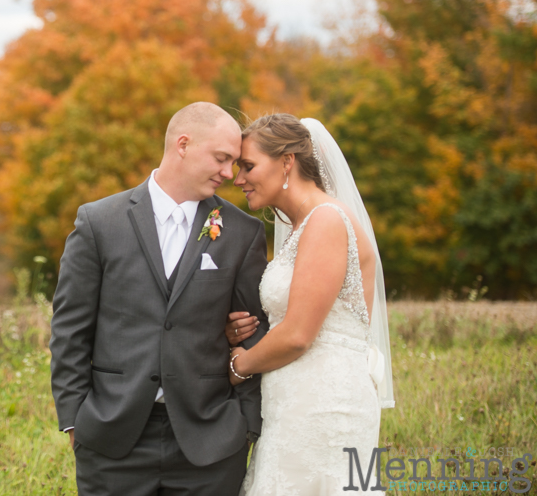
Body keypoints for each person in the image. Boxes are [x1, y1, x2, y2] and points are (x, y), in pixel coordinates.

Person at [49, 102, 271, 496]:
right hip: (112, 439)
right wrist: (74, 420)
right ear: (183, 144)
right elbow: (70, 328)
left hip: (211, 440)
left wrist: (246, 423)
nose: (228, 173)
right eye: (221, 159)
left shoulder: (242, 233)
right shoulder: (98, 222)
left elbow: (253, 329)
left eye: (234, 163)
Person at [224, 114, 395, 495]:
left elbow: (300, 334)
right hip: (295, 403)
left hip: (325, 407)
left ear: (287, 162)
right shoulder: (305, 226)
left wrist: (238, 364)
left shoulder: (326, 220)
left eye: (248, 166)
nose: (238, 179)